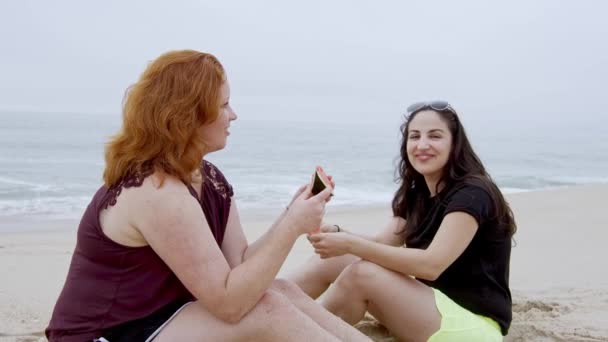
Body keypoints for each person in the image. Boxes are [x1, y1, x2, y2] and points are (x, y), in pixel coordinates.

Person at [45, 50, 371, 342]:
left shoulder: (208, 177)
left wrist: (291, 215)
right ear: (188, 115)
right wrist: (292, 228)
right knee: (268, 310)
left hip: (160, 319)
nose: (234, 115)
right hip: (105, 333)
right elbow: (231, 303)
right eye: (224, 105)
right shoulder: (156, 190)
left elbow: (240, 264)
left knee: (281, 290)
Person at [289, 101, 516, 341]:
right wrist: (337, 233)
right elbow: (383, 242)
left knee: (362, 274)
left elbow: (431, 264)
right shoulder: (416, 193)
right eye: (414, 136)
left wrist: (349, 243)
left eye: (435, 136)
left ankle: (297, 334)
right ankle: (262, 302)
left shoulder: (473, 193)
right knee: (336, 259)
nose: (422, 145)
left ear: (454, 144)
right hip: (427, 308)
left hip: (473, 327)